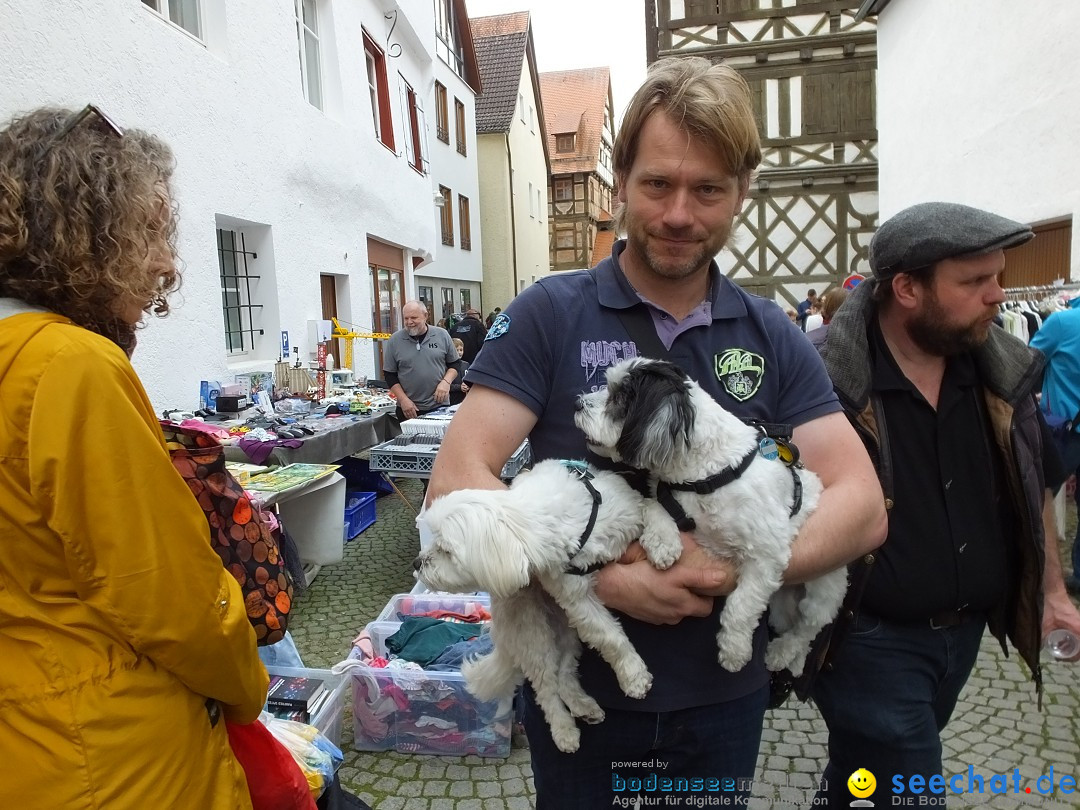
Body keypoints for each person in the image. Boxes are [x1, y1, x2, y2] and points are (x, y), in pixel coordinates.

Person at [428, 57, 886, 809]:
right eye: (657, 185)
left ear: (742, 191)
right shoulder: (550, 313)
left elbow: (861, 504)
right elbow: (457, 481)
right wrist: (600, 577)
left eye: (708, 189)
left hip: (721, 702)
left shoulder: (770, 333)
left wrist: (729, 569)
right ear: (621, 183)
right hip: (591, 693)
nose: (680, 213)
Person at [0, 105, 268, 808]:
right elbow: (174, 603)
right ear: (82, 234)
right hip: (117, 755)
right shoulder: (67, 365)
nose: (165, 263)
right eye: (147, 231)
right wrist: (248, 686)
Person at [812, 201, 1080, 806]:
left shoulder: (999, 368)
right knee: (910, 785)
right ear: (906, 287)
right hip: (866, 638)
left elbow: (1035, 480)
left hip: (962, 639)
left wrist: (1053, 593)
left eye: (999, 277)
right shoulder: (824, 374)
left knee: (862, 781)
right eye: (975, 281)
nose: (997, 296)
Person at [1029, 299, 1080, 594]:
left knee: (1035, 500)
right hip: (1067, 430)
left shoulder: (1062, 323)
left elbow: (1025, 362)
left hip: (1064, 430)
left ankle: (1029, 572)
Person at [383, 299, 462, 421]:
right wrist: (403, 400)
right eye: (406, 318)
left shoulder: (442, 335)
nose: (409, 322)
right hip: (409, 409)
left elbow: (455, 364)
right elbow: (389, 374)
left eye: (414, 318)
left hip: (439, 406)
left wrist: (446, 383)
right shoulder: (395, 340)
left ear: (426, 316)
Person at [449, 337, 471, 405]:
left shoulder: (466, 364)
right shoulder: (447, 366)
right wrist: (459, 387)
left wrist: (468, 385)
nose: (459, 352)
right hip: (452, 400)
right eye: (456, 350)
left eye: (461, 350)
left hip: (464, 400)